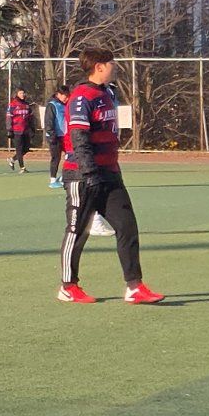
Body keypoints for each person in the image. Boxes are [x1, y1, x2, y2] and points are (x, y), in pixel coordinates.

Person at [56, 48, 162, 304]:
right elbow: (79, 139)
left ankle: (134, 287)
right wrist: (89, 173)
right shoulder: (81, 97)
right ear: (99, 67)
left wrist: (111, 169)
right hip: (83, 176)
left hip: (110, 175)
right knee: (77, 230)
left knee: (127, 226)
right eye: (111, 62)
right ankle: (68, 286)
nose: (115, 66)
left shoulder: (107, 93)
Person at [43, 87, 69, 188]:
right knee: (56, 158)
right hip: (54, 136)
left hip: (65, 136)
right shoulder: (52, 105)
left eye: (67, 96)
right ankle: (53, 180)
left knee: (71, 155)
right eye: (64, 96)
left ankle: (63, 177)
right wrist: (52, 135)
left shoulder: (66, 105)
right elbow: (48, 122)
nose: (66, 98)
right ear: (58, 94)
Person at [6, 88, 34, 173]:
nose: (22, 94)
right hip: (16, 130)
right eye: (20, 93)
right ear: (17, 94)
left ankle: (12, 159)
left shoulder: (27, 105)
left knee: (26, 148)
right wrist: (9, 129)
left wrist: (32, 129)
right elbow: (8, 117)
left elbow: (30, 118)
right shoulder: (13, 105)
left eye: (23, 93)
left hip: (25, 130)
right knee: (19, 149)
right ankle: (22, 168)